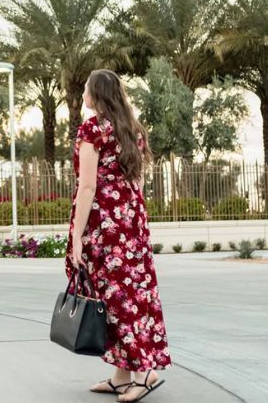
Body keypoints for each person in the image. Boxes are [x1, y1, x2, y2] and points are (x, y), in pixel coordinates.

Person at [65, 69, 171, 402]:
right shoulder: (132, 129)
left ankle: (144, 373)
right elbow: (136, 181)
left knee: (115, 299)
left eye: (86, 88)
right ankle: (122, 375)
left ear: (96, 94)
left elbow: (87, 186)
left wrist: (77, 235)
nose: (83, 93)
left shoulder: (92, 129)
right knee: (133, 294)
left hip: (105, 226)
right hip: (131, 223)